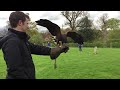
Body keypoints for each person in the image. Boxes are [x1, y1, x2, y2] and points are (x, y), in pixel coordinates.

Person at [0, 11, 69, 79]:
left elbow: (35, 48)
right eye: (27, 23)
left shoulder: (20, 39)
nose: (28, 26)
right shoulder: (12, 42)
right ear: (20, 23)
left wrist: (54, 50)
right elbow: (15, 71)